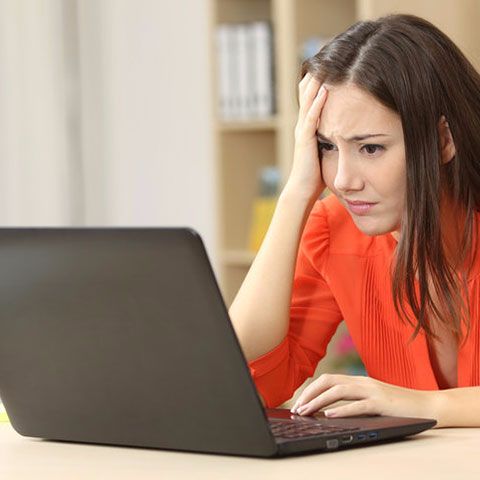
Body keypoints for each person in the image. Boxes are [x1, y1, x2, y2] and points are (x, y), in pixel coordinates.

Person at [228, 13, 480, 428]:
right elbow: (246, 380)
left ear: (442, 141)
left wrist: (422, 406)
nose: (343, 181)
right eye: (327, 146)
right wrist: (296, 194)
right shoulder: (334, 229)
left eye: (370, 149)